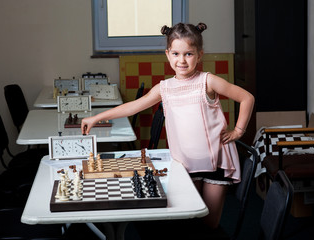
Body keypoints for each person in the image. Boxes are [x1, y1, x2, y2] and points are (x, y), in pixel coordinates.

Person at [81, 22, 254, 229]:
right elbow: (133, 107)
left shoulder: (208, 81)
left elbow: (246, 98)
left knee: (209, 224)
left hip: (215, 160)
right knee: (188, 219)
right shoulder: (164, 88)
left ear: (200, 55)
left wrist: (238, 131)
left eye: (189, 54)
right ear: (167, 54)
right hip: (185, 163)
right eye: (176, 53)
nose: (182, 60)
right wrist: (96, 118)